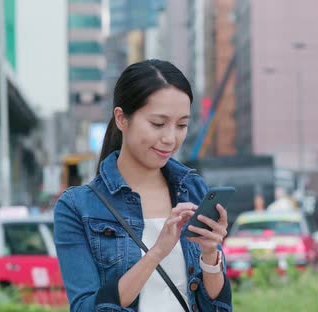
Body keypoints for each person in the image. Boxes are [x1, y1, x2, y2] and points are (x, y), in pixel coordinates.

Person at [53, 60, 232, 312]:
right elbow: (85, 307)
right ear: (122, 119)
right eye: (158, 124)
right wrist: (157, 252)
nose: (170, 138)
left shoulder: (193, 189)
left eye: (181, 125)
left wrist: (210, 254)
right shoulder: (77, 207)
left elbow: (216, 307)